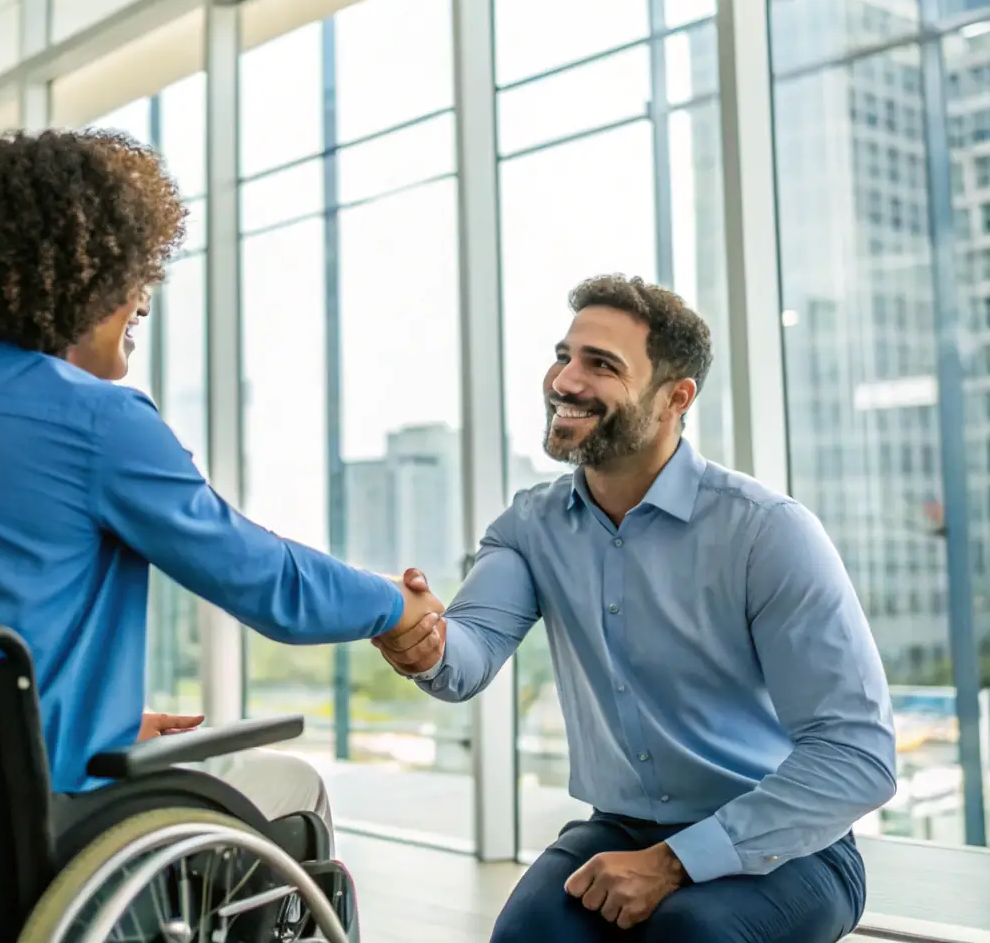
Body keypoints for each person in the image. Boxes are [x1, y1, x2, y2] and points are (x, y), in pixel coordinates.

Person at [0, 129, 443, 850]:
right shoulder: (92, 417)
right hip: (23, 807)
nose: (143, 292)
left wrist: (87, 716)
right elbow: (268, 584)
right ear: (82, 270)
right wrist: (396, 604)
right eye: (135, 269)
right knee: (291, 785)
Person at [372, 275, 896, 942]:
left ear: (675, 398)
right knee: (527, 935)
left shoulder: (766, 531)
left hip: (788, 842)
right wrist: (420, 638)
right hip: (620, 826)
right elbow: (467, 652)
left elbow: (858, 754)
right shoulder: (530, 525)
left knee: (689, 934)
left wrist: (675, 862)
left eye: (601, 365)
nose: (564, 381)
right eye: (564, 355)